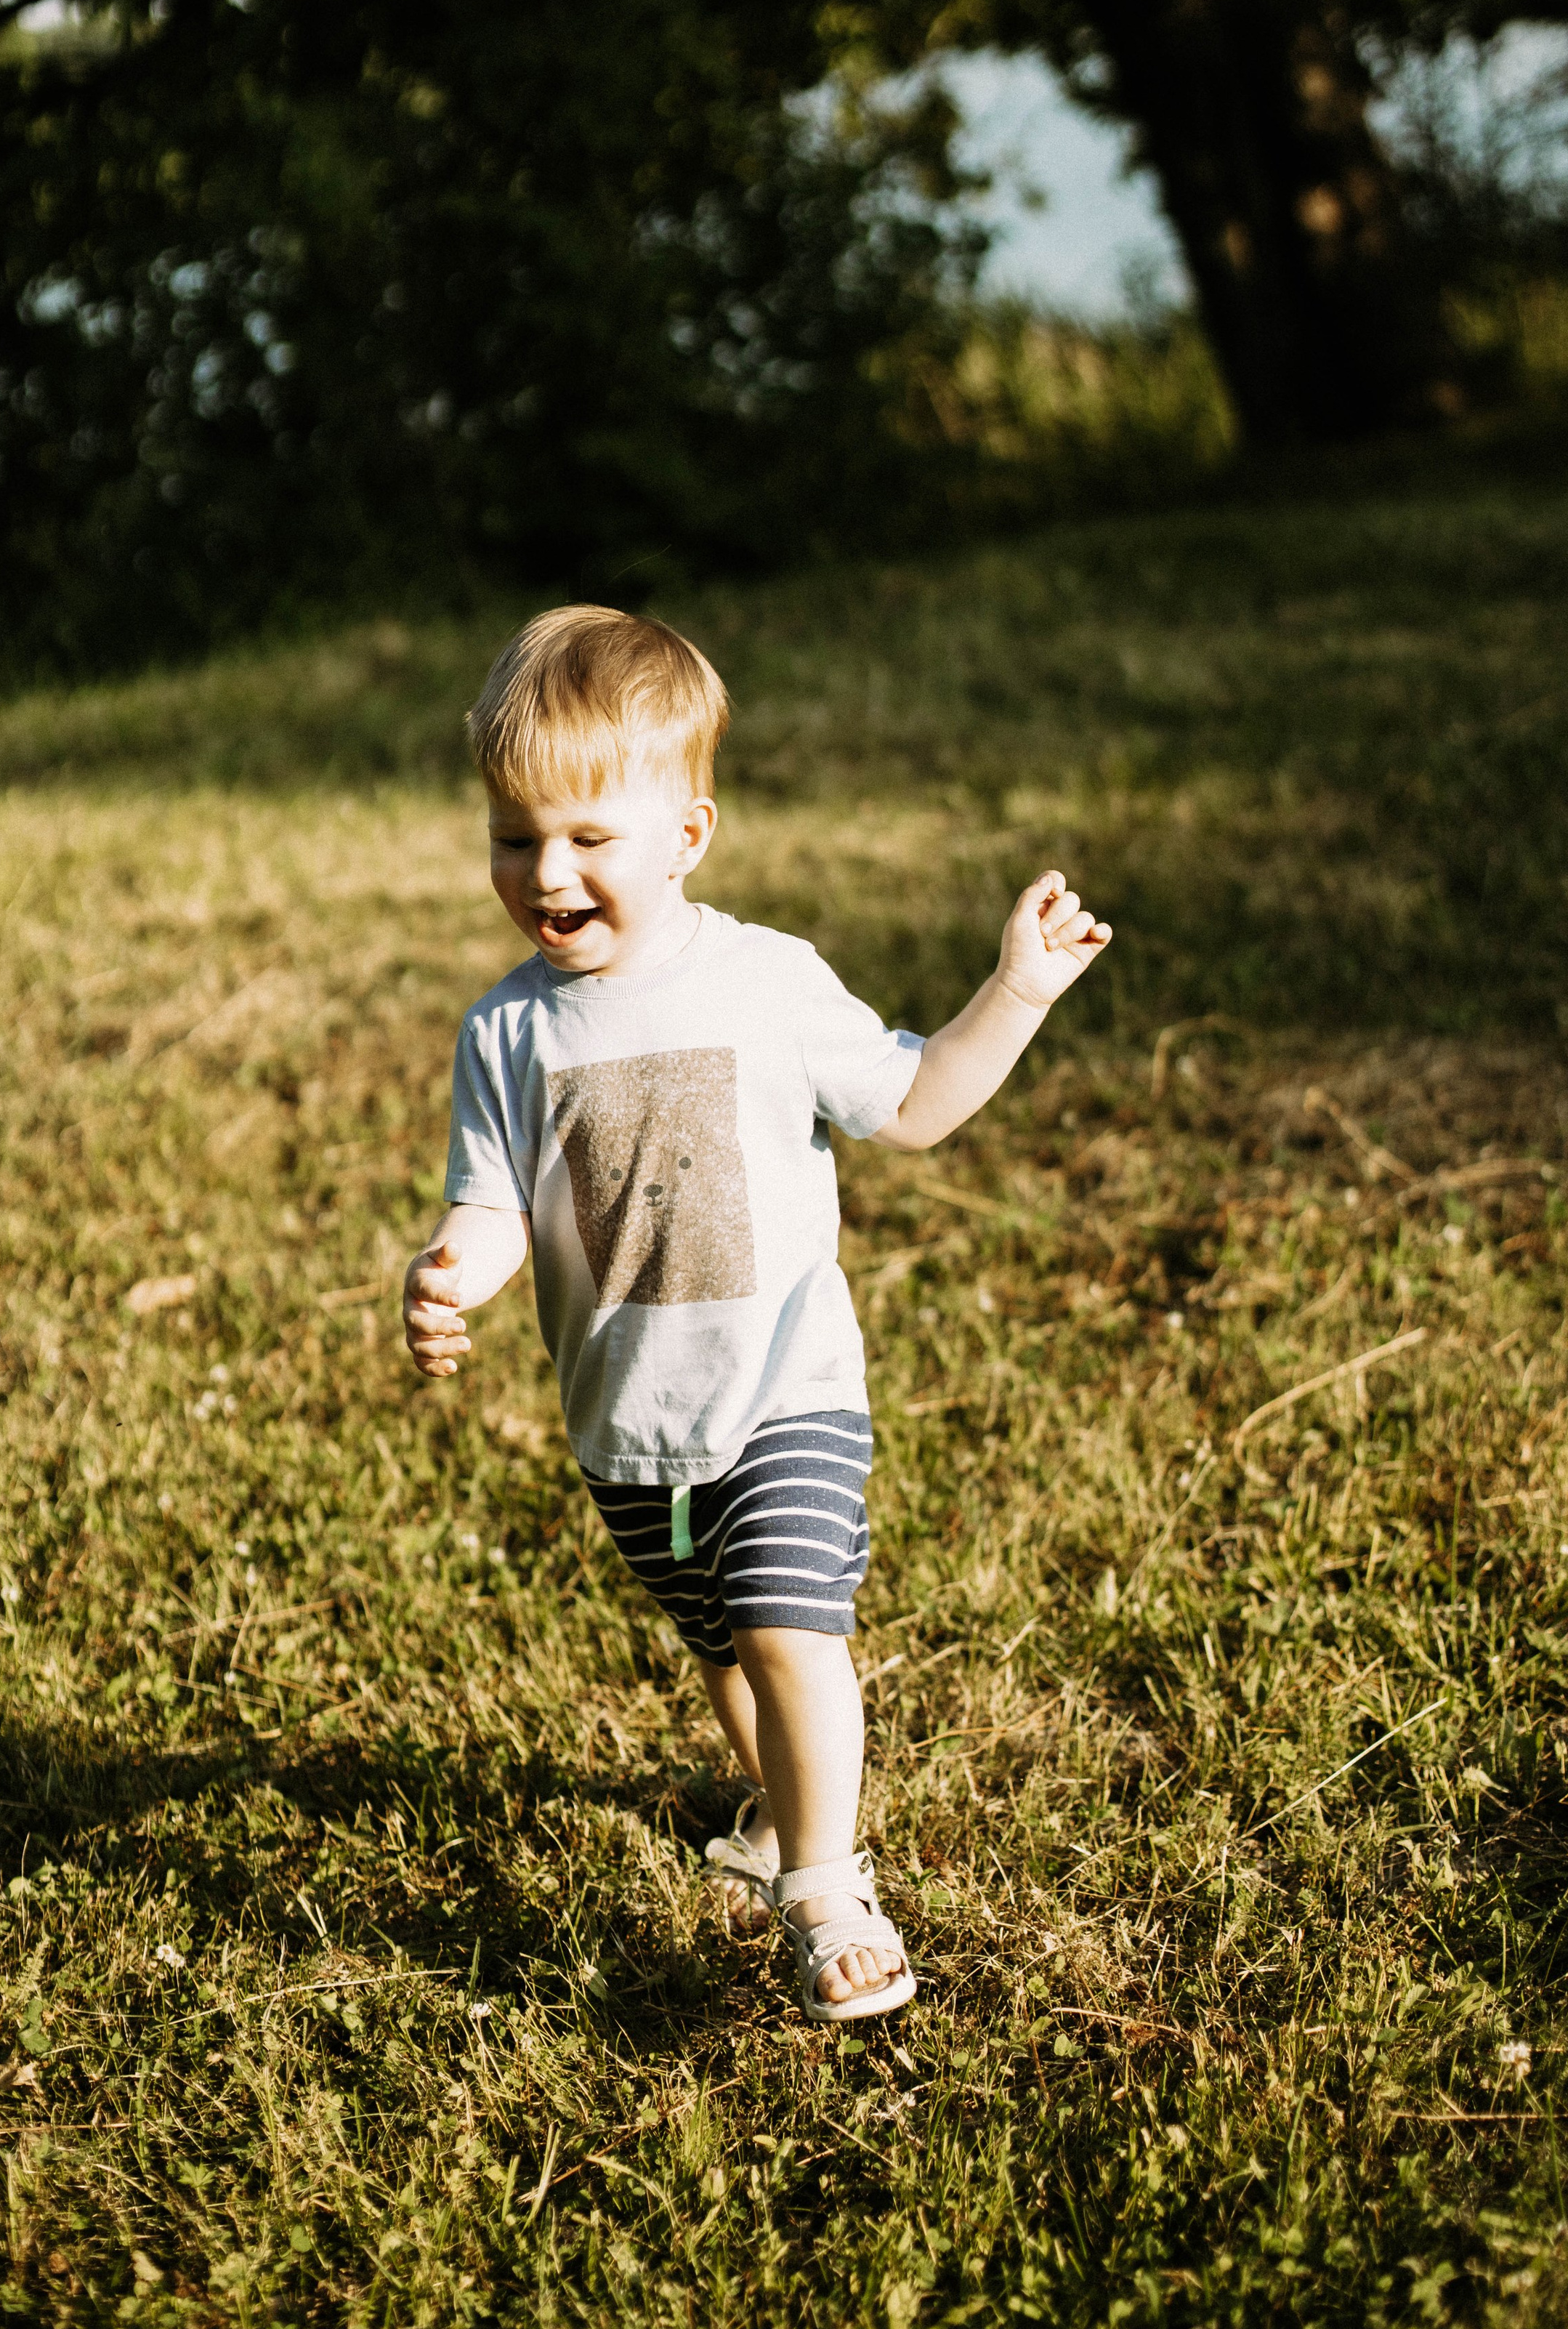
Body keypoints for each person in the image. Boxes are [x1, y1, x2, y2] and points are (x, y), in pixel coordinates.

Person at [401, 606, 1109, 2025]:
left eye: (590, 839)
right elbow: (490, 1200)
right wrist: (450, 1271)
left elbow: (908, 1105)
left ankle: (827, 1887)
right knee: (725, 1650)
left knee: (789, 1630)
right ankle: (780, 1816)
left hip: (782, 1391)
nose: (546, 872)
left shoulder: (765, 981)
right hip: (627, 1430)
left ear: (687, 834)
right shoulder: (507, 1032)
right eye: (512, 835)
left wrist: (1014, 994)